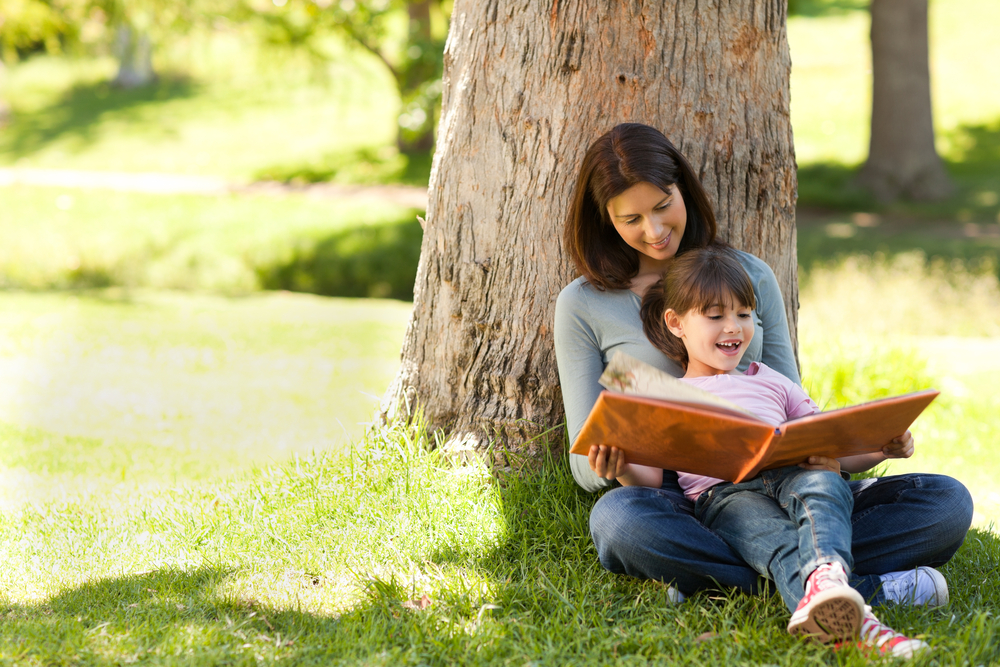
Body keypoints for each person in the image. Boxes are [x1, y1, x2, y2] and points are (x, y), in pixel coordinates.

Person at [553, 123, 972, 623]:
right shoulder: (583, 303)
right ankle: (849, 584)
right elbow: (584, 459)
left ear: (683, 188)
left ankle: (721, 585)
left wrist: (859, 446)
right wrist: (612, 460)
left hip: (788, 485)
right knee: (619, 523)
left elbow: (789, 407)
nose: (654, 229)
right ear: (605, 220)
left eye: (663, 205)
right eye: (631, 219)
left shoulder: (748, 276)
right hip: (685, 498)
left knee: (945, 502)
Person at [637, 245, 929, 656]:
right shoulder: (667, 398)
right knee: (776, 541)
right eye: (715, 315)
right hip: (727, 496)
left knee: (827, 482)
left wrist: (881, 449)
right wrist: (619, 465)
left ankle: (825, 577)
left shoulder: (770, 379)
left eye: (743, 314)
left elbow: (834, 445)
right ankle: (864, 622)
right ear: (676, 323)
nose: (733, 328)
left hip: (796, 472)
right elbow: (647, 480)